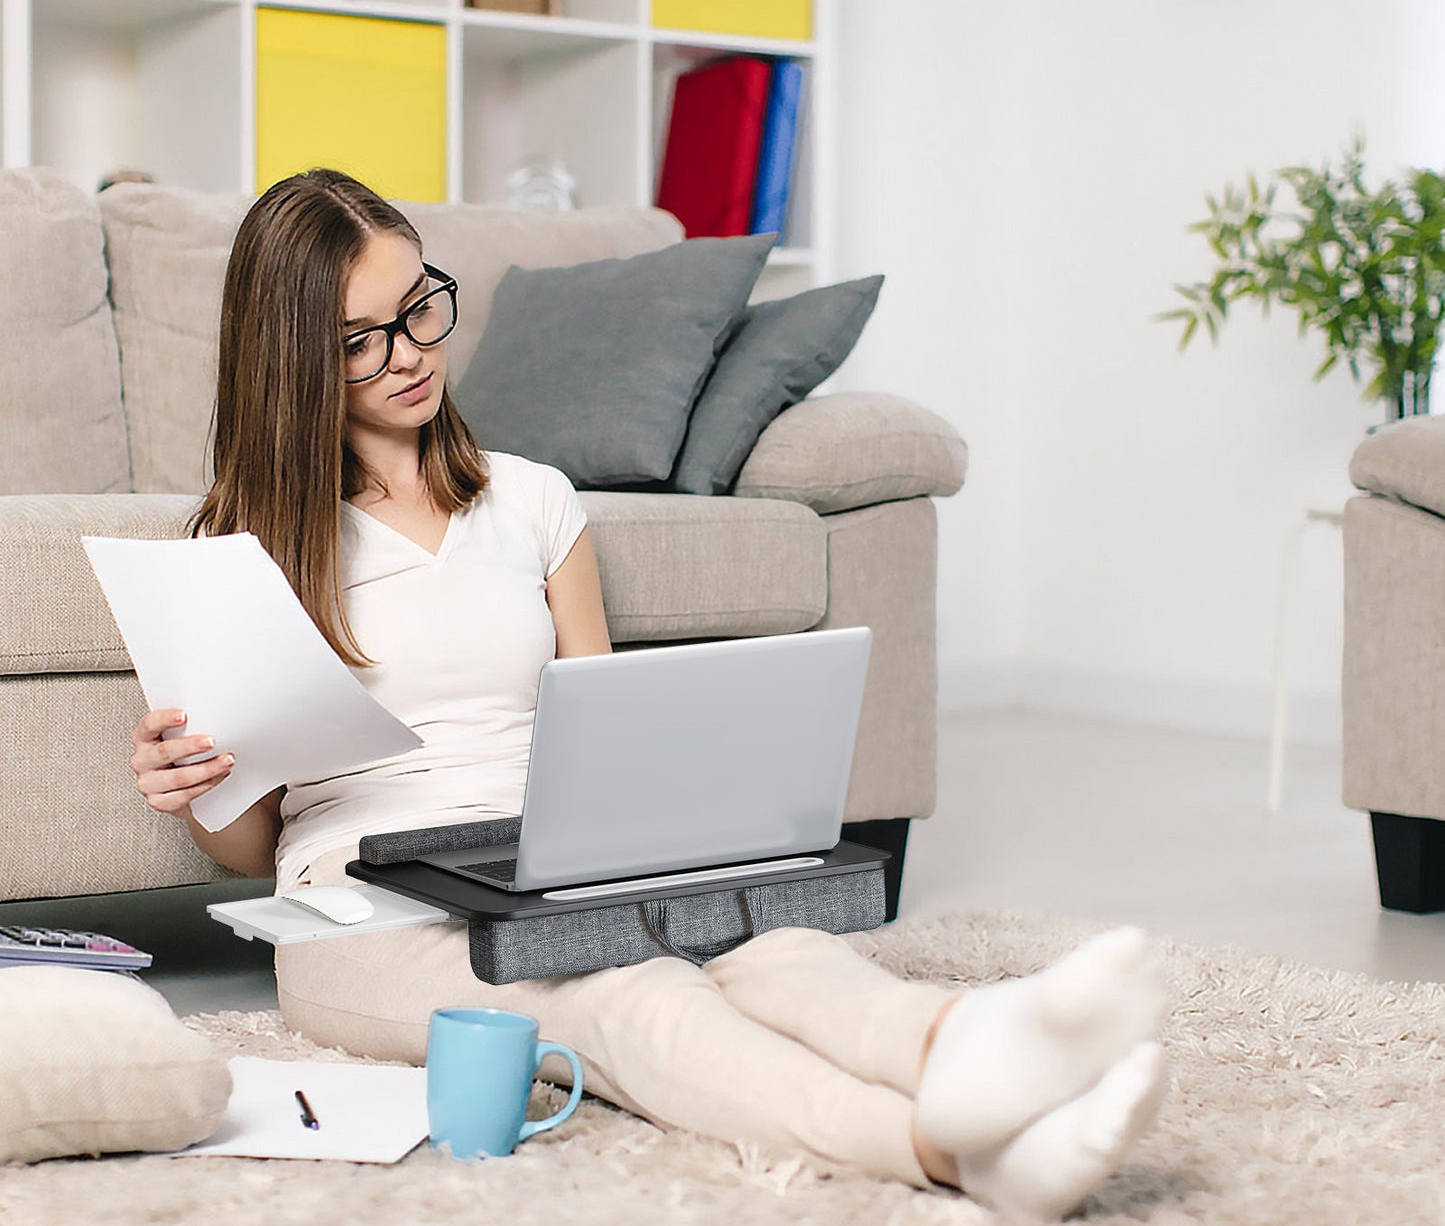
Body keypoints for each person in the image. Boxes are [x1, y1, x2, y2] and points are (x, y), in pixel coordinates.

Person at [128, 169, 1168, 1220]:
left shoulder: (529, 497)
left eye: (419, 310)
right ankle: (945, 1154)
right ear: (289, 362)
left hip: (541, 854)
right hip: (357, 897)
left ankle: (964, 1043)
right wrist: (194, 784)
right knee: (629, 993)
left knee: (770, 945)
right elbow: (254, 847)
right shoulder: (235, 550)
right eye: (361, 340)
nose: (410, 355)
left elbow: (604, 728)